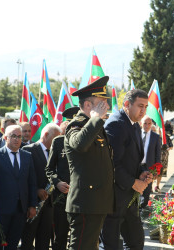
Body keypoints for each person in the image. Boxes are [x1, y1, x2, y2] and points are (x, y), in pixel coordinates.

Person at [64, 76, 114, 250]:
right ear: (87, 106)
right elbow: (79, 144)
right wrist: (95, 119)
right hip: (85, 203)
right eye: (101, 103)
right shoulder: (76, 125)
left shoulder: (94, 126)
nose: (106, 107)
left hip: (97, 202)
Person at [101, 89, 153, 250]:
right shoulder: (116, 124)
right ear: (126, 104)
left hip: (129, 197)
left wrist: (142, 172)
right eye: (140, 106)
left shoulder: (135, 125)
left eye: (145, 107)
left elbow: (134, 160)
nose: (143, 110)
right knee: (110, 245)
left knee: (136, 242)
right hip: (114, 198)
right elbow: (111, 164)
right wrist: (133, 182)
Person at [0, 125, 37, 250]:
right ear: (5, 137)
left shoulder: (27, 156)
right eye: (13, 136)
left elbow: (31, 182)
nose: (16, 139)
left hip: (21, 209)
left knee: (13, 243)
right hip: (1, 210)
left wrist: (32, 205)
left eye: (19, 136)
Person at [20, 123, 61, 250]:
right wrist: (36, 190)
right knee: (27, 239)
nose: (57, 142)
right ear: (46, 135)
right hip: (32, 204)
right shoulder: (29, 150)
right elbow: (23, 178)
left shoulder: (56, 152)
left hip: (49, 204)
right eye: (55, 138)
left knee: (44, 240)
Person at [46, 106, 80, 250]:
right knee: (60, 237)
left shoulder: (89, 142)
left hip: (82, 198)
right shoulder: (59, 141)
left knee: (79, 239)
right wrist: (57, 182)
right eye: (71, 126)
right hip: (62, 198)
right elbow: (49, 169)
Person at [140, 115, 161, 208]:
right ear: (141, 123)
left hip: (149, 167)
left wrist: (157, 170)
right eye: (145, 123)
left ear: (151, 124)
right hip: (136, 166)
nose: (147, 125)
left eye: (149, 123)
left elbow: (158, 155)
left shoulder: (155, 137)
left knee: (147, 189)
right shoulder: (135, 134)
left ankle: (143, 207)